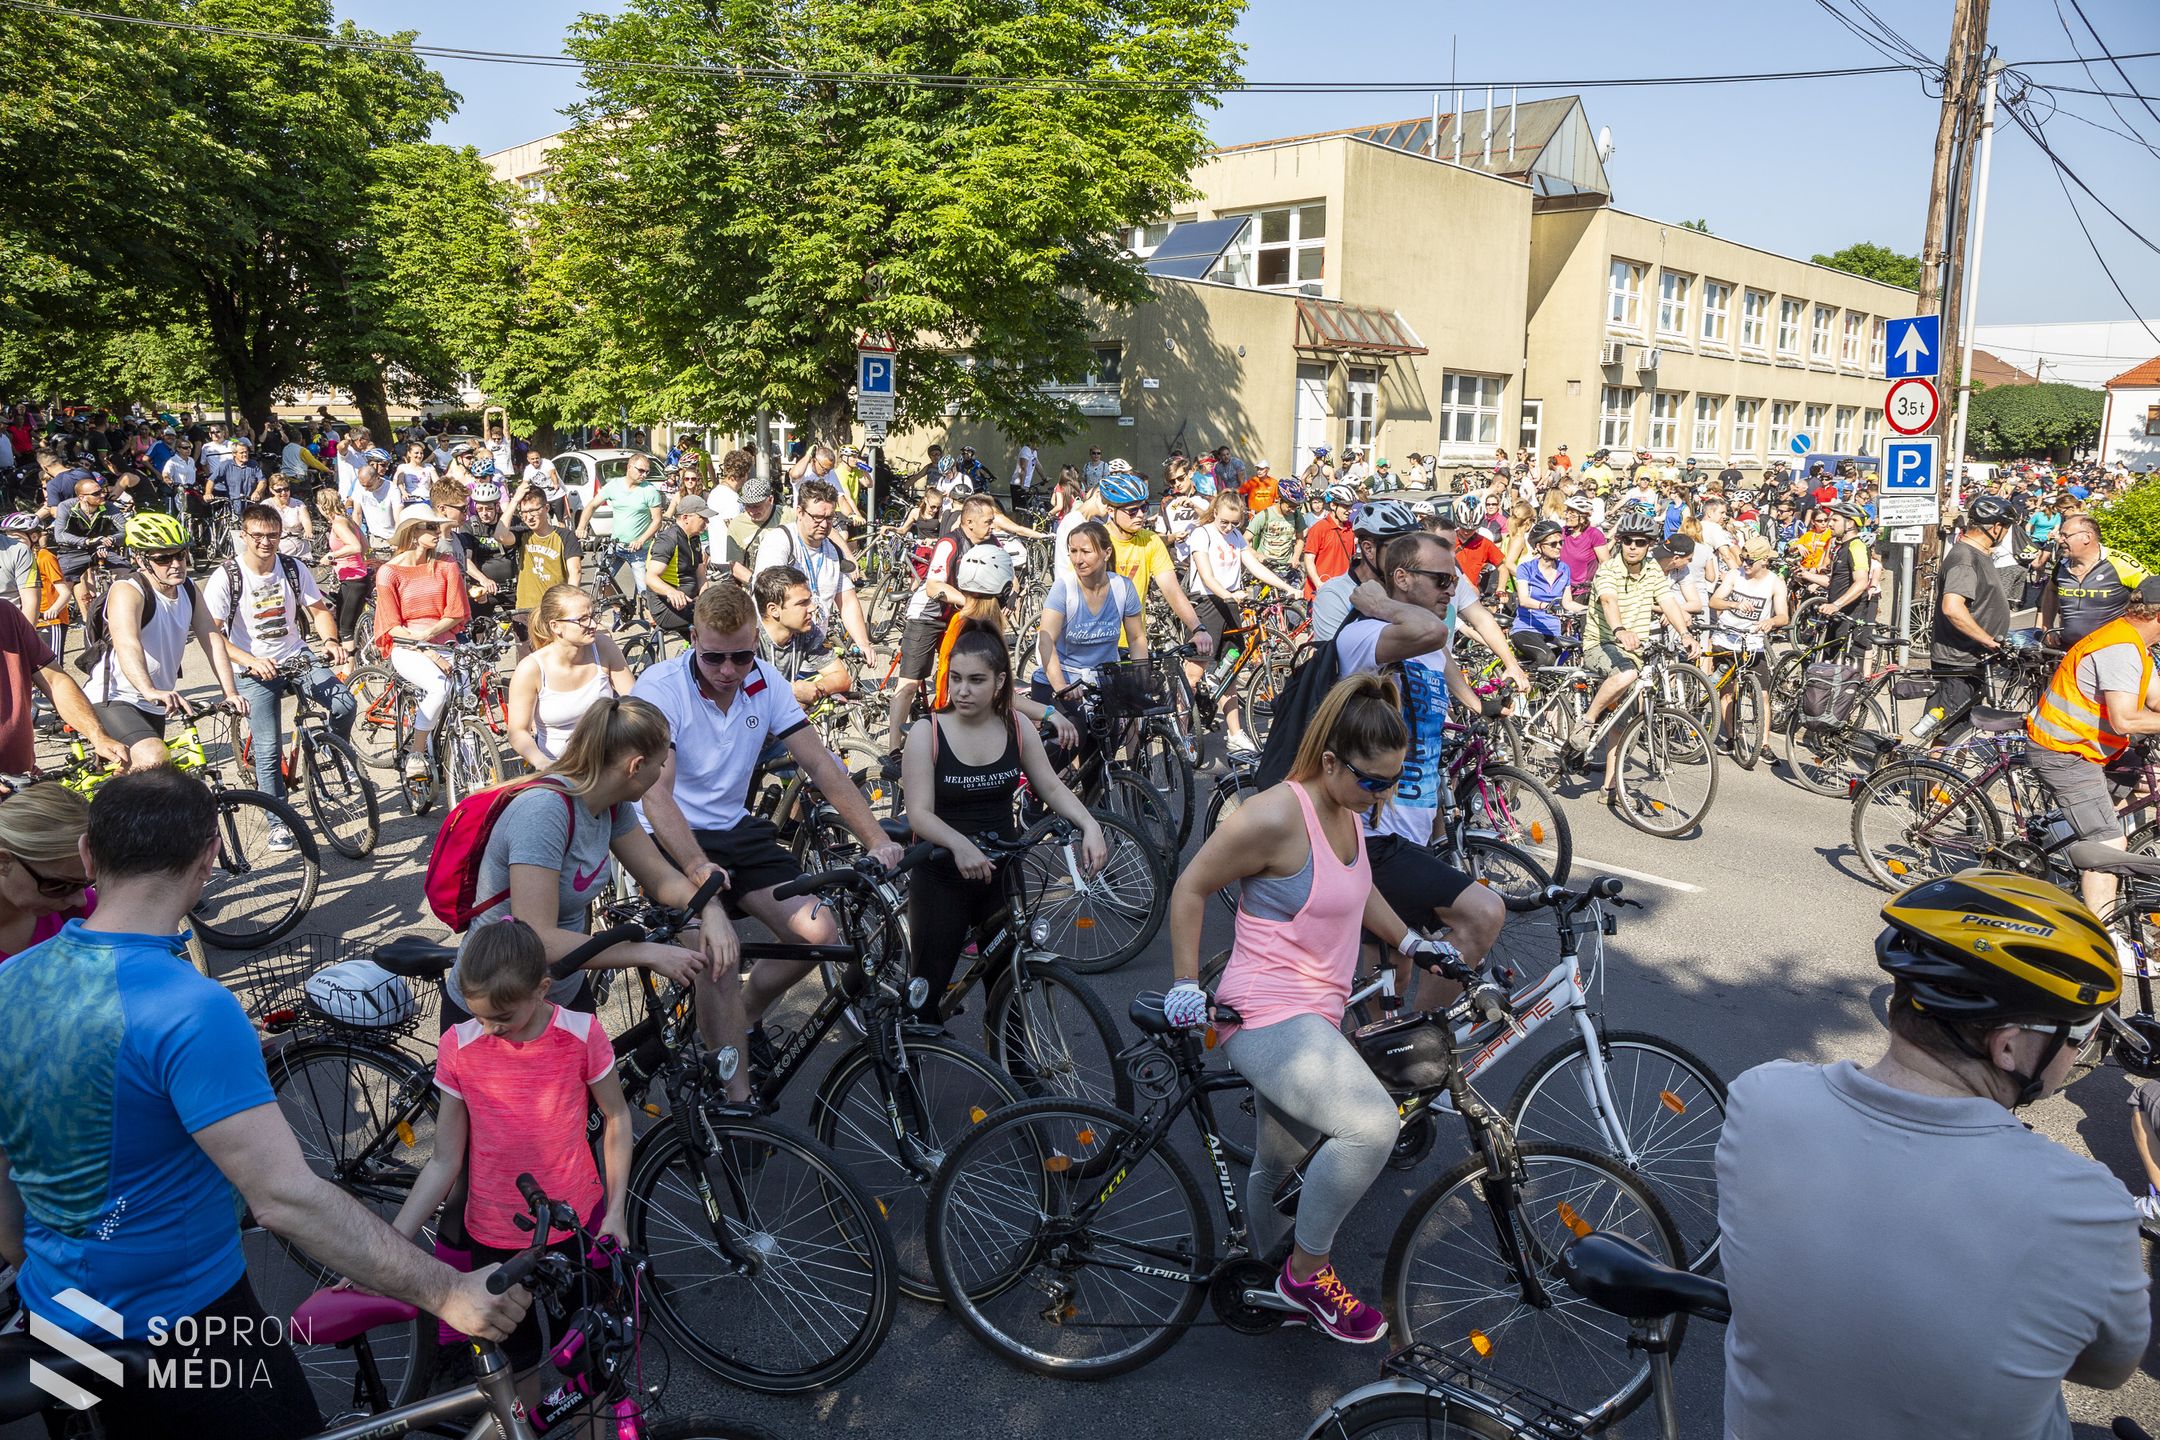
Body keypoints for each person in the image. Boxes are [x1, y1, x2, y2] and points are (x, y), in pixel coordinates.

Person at [0, 768, 531, 1440]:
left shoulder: (8, 980)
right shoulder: (189, 1009)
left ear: (86, 857)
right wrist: (448, 1291)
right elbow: (286, 1199)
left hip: (56, 1317)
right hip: (186, 1332)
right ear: (207, 863)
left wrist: (35, 1265)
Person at [1717, 870, 2146, 1440]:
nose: (2084, 1051)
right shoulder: (2086, 1207)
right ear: (2010, 1045)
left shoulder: (1761, 1097)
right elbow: (2108, 1369)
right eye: (2083, 1031)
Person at [1166, 672, 1455, 1343]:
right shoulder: (1274, 815)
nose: (1383, 798)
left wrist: (1410, 939)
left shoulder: (1349, 811)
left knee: (1279, 1162)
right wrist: (1185, 982)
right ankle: (1307, 1272)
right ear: (1330, 761)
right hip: (1265, 1012)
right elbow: (1190, 887)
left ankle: (1266, 1278)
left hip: (1315, 1012)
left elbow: (1356, 891)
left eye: (1393, 781)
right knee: (1370, 1127)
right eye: (1373, 782)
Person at [633, 584, 905, 1095]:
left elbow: (820, 762)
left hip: (733, 828)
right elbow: (655, 796)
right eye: (714, 657)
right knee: (717, 960)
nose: (729, 671)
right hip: (671, 836)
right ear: (693, 639)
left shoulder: (764, 681)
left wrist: (874, 838)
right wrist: (696, 871)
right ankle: (736, 1100)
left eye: (742, 655)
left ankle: (744, 1019)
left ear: (757, 642)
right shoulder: (660, 687)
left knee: (820, 935)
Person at [388, 915, 631, 1407]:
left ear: (543, 989)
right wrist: (390, 1240)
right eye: (480, 1017)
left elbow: (618, 1118)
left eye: (504, 1018)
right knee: (515, 1362)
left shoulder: (581, 1034)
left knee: (588, 1359)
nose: (492, 1029)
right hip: (493, 1238)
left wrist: (617, 1211)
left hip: (574, 1229)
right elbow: (443, 1160)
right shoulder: (459, 1045)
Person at [901, 625, 1105, 1021]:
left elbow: (1050, 786)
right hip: (942, 874)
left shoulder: (1015, 725)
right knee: (925, 995)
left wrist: (1089, 824)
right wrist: (960, 844)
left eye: (976, 680)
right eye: (955, 678)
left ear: (999, 683)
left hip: (1003, 873)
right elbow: (919, 814)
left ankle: (1020, 1075)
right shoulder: (928, 733)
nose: (962, 690)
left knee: (1008, 985)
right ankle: (910, 1071)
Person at [1331, 531, 1506, 989]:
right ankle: (1432, 1043)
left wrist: (1436, 829)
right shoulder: (1366, 634)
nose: (1452, 590)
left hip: (1411, 834)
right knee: (1483, 914)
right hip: (1371, 839)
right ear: (1402, 578)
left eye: (1456, 580)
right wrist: (1378, 601)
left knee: (1393, 972)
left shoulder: (1429, 649)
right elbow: (1433, 629)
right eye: (1442, 580)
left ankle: (1398, 1050)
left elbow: (1427, 746)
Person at [203, 504, 354, 841]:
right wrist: (250, 660)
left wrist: (330, 640)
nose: (265, 541)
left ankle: (332, 749)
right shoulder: (227, 576)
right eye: (257, 535)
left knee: (344, 702)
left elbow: (317, 610)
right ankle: (278, 821)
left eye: (272, 535)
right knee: (269, 749)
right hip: (253, 667)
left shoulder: (292, 567)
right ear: (243, 536)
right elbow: (213, 634)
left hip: (294, 655)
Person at [2023, 577, 2160, 928]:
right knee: (2108, 841)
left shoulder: (2133, 640)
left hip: (2094, 748)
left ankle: (2061, 829)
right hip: (2064, 753)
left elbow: (2156, 699)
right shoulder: (2121, 649)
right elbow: (2125, 718)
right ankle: (2103, 936)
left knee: (2150, 783)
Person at [84, 512, 244, 773]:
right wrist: (148, 689)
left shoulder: (189, 588)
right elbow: (127, 643)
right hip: (115, 696)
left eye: (180, 554)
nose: (176, 564)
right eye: (163, 558)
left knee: (150, 779)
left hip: (155, 701)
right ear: (140, 559)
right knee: (154, 758)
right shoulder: (129, 590)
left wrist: (230, 692)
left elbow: (212, 638)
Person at [1579, 507, 1699, 785]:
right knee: (1628, 674)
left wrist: (1685, 633)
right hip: (1602, 643)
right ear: (1620, 541)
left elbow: (1668, 601)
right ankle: (1587, 720)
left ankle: (1610, 785)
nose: (1633, 547)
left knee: (1623, 723)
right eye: (1628, 540)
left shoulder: (1653, 570)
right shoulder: (1608, 569)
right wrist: (1620, 629)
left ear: (1650, 546)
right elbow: (1608, 600)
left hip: (1634, 650)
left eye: (1640, 542)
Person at [888, 493, 1001, 758]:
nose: (993, 526)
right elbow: (933, 587)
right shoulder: (950, 544)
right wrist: (966, 602)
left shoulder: (990, 541)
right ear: (969, 522)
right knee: (910, 681)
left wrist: (1011, 593)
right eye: (988, 522)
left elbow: (1004, 571)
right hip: (928, 616)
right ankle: (893, 748)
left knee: (962, 674)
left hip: (959, 618)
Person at [1185, 491, 1296, 756]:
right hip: (1208, 603)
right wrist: (1228, 594)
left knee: (1232, 669)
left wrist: (1285, 586)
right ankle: (1181, 729)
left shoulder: (1235, 537)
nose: (1229, 527)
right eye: (1225, 521)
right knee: (1194, 673)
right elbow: (1206, 575)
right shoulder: (1203, 534)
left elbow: (1254, 566)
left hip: (1231, 604)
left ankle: (1235, 733)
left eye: (1235, 523)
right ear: (1215, 512)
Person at [372, 504, 470, 779]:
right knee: (439, 688)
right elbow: (392, 627)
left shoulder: (446, 565)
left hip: (442, 639)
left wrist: (430, 637)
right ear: (412, 532)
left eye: (437, 527)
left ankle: (468, 753)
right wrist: (423, 644)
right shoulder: (389, 573)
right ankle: (416, 751)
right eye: (430, 527)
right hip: (406, 646)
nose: (437, 532)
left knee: (464, 693)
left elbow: (456, 612)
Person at [506, 584, 634, 769]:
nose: (593, 624)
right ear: (555, 626)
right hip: (559, 769)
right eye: (582, 619)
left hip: (609, 764)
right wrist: (544, 765)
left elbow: (634, 700)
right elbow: (518, 732)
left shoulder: (603, 646)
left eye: (593, 616)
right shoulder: (531, 669)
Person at [1925, 494, 2015, 738]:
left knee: (1962, 733)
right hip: (1958, 661)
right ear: (1996, 527)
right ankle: (1928, 776)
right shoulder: (1965, 558)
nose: (2006, 534)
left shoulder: (1977, 555)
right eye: (2006, 528)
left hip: (1971, 659)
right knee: (1948, 734)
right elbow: (1953, 608)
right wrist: (1988, 640)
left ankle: (1949, 777)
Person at [1706, 535, 1789, 746]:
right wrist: (1734, 604)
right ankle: (1732, 738)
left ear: (1764, 561)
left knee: (1762, 696)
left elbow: (1784, 616)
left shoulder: (1775, 583)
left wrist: (1771, 621)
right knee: (1728, 694)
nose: (1745, 564)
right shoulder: (1735, 575)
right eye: (1743, 559)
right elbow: (1714, 601)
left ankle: (1764, 745)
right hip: (1726, 639)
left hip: (1753, 645)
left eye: (1750, 561)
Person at [0, 781, 93, 964]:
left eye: (88, 882)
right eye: (61, 886)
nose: (80, 900)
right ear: (3, 862)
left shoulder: (87, 911)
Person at [2040, 510, 2149, 648]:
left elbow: (2154, 591)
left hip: (2111, 650)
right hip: (2070, 649)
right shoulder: (2062, 564)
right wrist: (2047, 626)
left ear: (2087, 537)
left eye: (2065, 535)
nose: (2060, 540)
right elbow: (2051, 590)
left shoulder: (2120, 562)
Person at [753, 564, 851, 706]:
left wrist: (816, 689)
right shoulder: (746, 637)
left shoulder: (807, 631)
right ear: (774, 610)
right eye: (802, 603)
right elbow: (736, 690)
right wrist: (791, 691)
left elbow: (842, 677)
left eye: (809, 600)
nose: (812, 608)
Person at [500, 481, 584, 645]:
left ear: (546, 508)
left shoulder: (565, 536)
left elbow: (575, 572)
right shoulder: (523, 535)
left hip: (554, 610)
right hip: (525, 611)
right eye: (524, 512)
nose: (529, 516)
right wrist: (514, 501)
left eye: (533, 510)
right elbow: (501, 535)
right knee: (528, 665)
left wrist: (569, 605)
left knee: (557, 662)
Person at [642, 493, 710, 641]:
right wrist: (671, 592)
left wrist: (706, 597)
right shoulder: (668, 539)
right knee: (712, 621)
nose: (707, 522)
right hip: (666, 607)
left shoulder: (694, 538)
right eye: (702, 518)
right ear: (685, 518)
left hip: (690, 602)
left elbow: (700, 575)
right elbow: (650, 577)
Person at [1509, 518, 1583, 647]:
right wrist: (1548, 606)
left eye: (1561, 542)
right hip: (1527, 629)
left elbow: (1568, 603)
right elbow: (1524, 600)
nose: (1559, 547)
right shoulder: (1526, 568)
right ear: (1539, 546)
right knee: (1546, 659)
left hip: (1552, 630)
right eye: (1553, 544)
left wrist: (1591, 609)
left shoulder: (1564, 569)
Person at [1301, 485, 1358, 598]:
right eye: (1345, 507)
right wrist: (1318, 584)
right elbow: (1309, 558)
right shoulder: (1320, 528)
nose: (1349, 511)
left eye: (1350, 507)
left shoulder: (1350, 529)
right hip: (1321, 591)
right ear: (1333, 505)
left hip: (1342, 592)